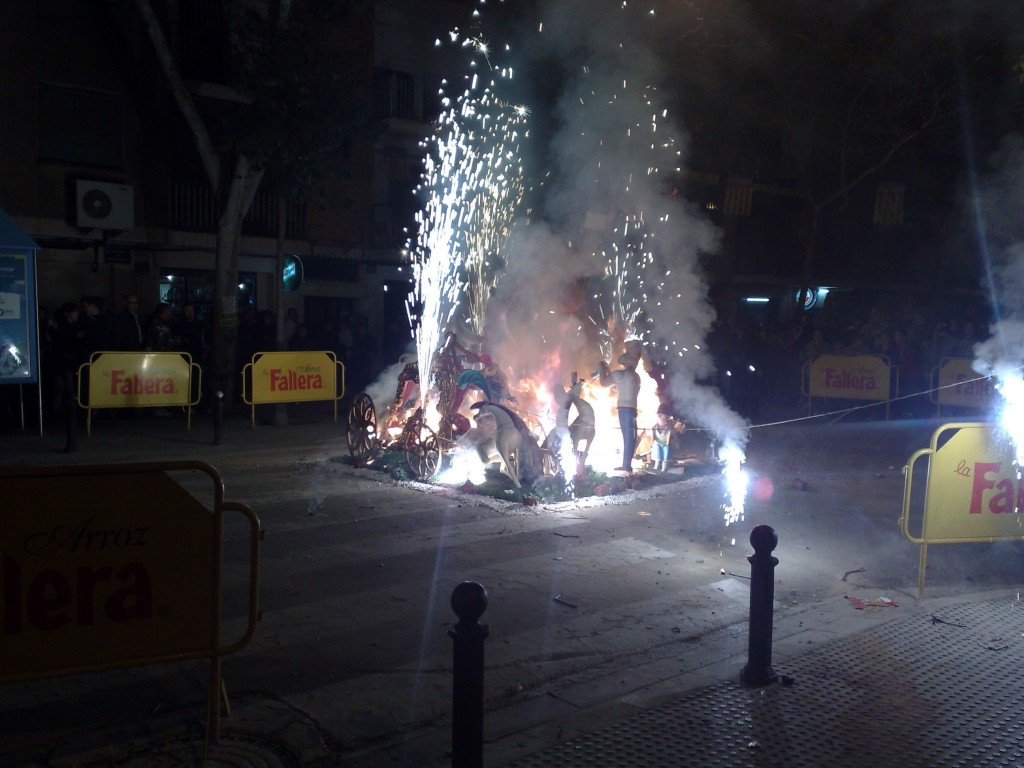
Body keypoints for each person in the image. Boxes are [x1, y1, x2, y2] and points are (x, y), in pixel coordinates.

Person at [598, 343, 642, 473]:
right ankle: (626, 463)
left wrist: (602, 371)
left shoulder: (620, 374)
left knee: (628, 436)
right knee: (630, 436)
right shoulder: (636, 377)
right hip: (633, 409)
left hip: (624, 409)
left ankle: (626, 465)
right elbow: (622, 388)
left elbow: (604, 383)